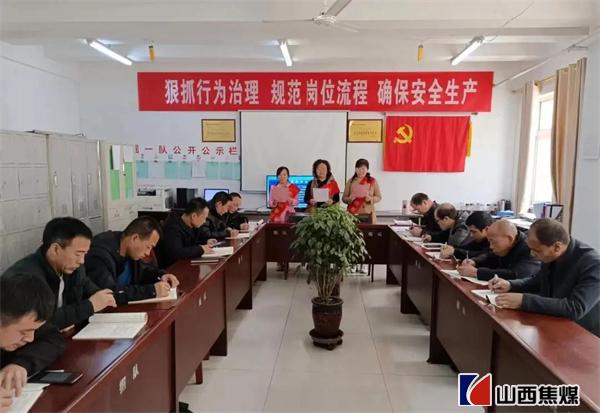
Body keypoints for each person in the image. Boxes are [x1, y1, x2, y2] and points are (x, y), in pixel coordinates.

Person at [490, 219, 600, 337]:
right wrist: (510, 285)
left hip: (582, 333)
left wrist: (524, 301)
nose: (532, 254)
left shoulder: (593, 264)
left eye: (536, 251)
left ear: (557, 247)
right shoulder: (550, 253)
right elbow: (538, 281)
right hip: (551, 321)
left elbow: (575, 307)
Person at [3, 217, 116, 331]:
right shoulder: (27, 278)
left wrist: (105, 297)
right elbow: (37, 323)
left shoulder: (72, 268)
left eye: (85, 254)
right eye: (78, 254)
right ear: (55, 249)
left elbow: (91, 290)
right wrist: (89, 306)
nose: (82, 261)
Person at [0, 273, 65, 407]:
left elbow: (53, 338)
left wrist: (21, 363)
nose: (30, 338)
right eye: (23, 332)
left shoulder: (22, 318)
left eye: (34, 330)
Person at [85, 216, 179, 304]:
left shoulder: (129, 250)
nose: (148, 253)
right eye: (148, 247)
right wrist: (152, 291)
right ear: (135, 238)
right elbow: (109, 294)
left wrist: (162, 275)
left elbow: (143, 271)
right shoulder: (99, 255)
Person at [457, 219, 540, 281]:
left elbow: (516, 275)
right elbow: (490, 256)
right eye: (489, 242)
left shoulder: (529, 248)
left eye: (493, 242)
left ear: (509, 239)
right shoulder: (506, 246)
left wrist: (476, 272)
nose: (490, 246)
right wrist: (474, 261)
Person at [156, 198, 217, 269]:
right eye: (204, 218)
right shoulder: (172, 228)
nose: (204, 221)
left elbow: (194, 241)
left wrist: (205, 241)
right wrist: (201, 249)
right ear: (194, 216)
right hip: (173, 268)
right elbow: (177, 252)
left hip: (187, 263)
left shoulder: (193, 225)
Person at [342, 159, 382, 224]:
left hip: (368, 214)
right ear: (355, 169)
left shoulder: (372, 181)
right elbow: (344, 198)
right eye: (358, 168)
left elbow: (379, 197)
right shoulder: (350, 181)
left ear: (367, 169)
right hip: (353, 213)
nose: (361, 171)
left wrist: (370, 199)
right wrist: (349, 199)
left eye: (363, 169)